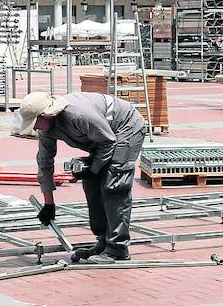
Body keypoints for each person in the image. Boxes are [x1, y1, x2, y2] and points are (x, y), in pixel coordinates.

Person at [19, 91, 147, 264]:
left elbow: (109, 142)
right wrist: (49, 204)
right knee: (91, 184)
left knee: (114, 184)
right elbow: (44, 163)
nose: (35, 128)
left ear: (47, 114)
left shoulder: (77, 115)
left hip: (126, 128)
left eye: (36, 123)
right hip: (104, 137)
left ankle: (117, 248)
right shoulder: (47, 128)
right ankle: (103, 242)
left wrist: (94, 170)